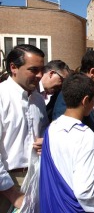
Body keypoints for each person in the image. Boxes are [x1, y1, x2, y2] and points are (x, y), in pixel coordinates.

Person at [40, 73, 94, 212]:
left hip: (50, 206)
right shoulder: (85, 136)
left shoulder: (52, 128)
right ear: (86, 100)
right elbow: (85, 193)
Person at [0, 44, 48, 212]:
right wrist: (12, 193)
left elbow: (43, 133)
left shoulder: (38, 99)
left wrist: (46, 142)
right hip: (7, 185)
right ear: (13, 67)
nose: (40, 76)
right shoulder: (2, 97)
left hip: (36, 177)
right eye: (34, 70)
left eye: (42, 70)